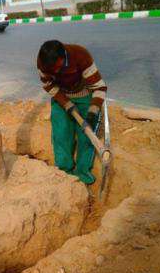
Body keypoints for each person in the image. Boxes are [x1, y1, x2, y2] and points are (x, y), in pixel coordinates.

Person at [37, 40, 108, 185]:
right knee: (61, 132)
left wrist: (92, 113)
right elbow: (49, 86)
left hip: (85, 95)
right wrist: (66, 104)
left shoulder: (80, 55)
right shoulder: (43, 64)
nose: (56, 72)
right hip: (61, 96)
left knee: (85, 135)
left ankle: (83, 172)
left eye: (58, 67)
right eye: (52, 69)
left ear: (64, 57)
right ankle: (64, 171)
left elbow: (99, 87)